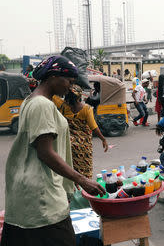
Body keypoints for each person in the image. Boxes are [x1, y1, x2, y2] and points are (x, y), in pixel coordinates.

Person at [1, 56, 105, 246]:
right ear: (53, 77)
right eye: (69, 81)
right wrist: (82, 180)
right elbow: (45, 152)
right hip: (42, 197)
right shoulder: (43, 105)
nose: (70, 87)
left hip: (27, 194)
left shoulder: (31, 101)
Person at [52, 85, 109, 179]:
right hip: (83, 147)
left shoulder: (62, 105)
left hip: (68, 144)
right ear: (79, 96)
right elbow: (94, 127)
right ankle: (85, 189)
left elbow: (52, 94)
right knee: (85, 171)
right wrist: (103, 139)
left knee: (70, 170)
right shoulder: (86, 109)